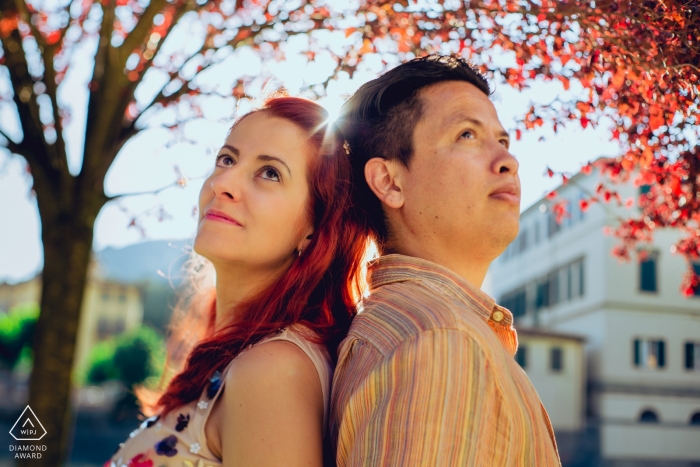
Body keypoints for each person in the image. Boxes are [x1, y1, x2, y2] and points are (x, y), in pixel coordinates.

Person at [104, 96, 368, 467]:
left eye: (270, 172)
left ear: (314, 229)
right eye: (226, 159)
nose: (222, 182)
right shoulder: (247, 355)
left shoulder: (273, 372)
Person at [330, 54, 562, 466]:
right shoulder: (438, 340)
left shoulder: (430, 329)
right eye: (467, 135)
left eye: (502, 140)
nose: (508, 160)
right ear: (389, 181)